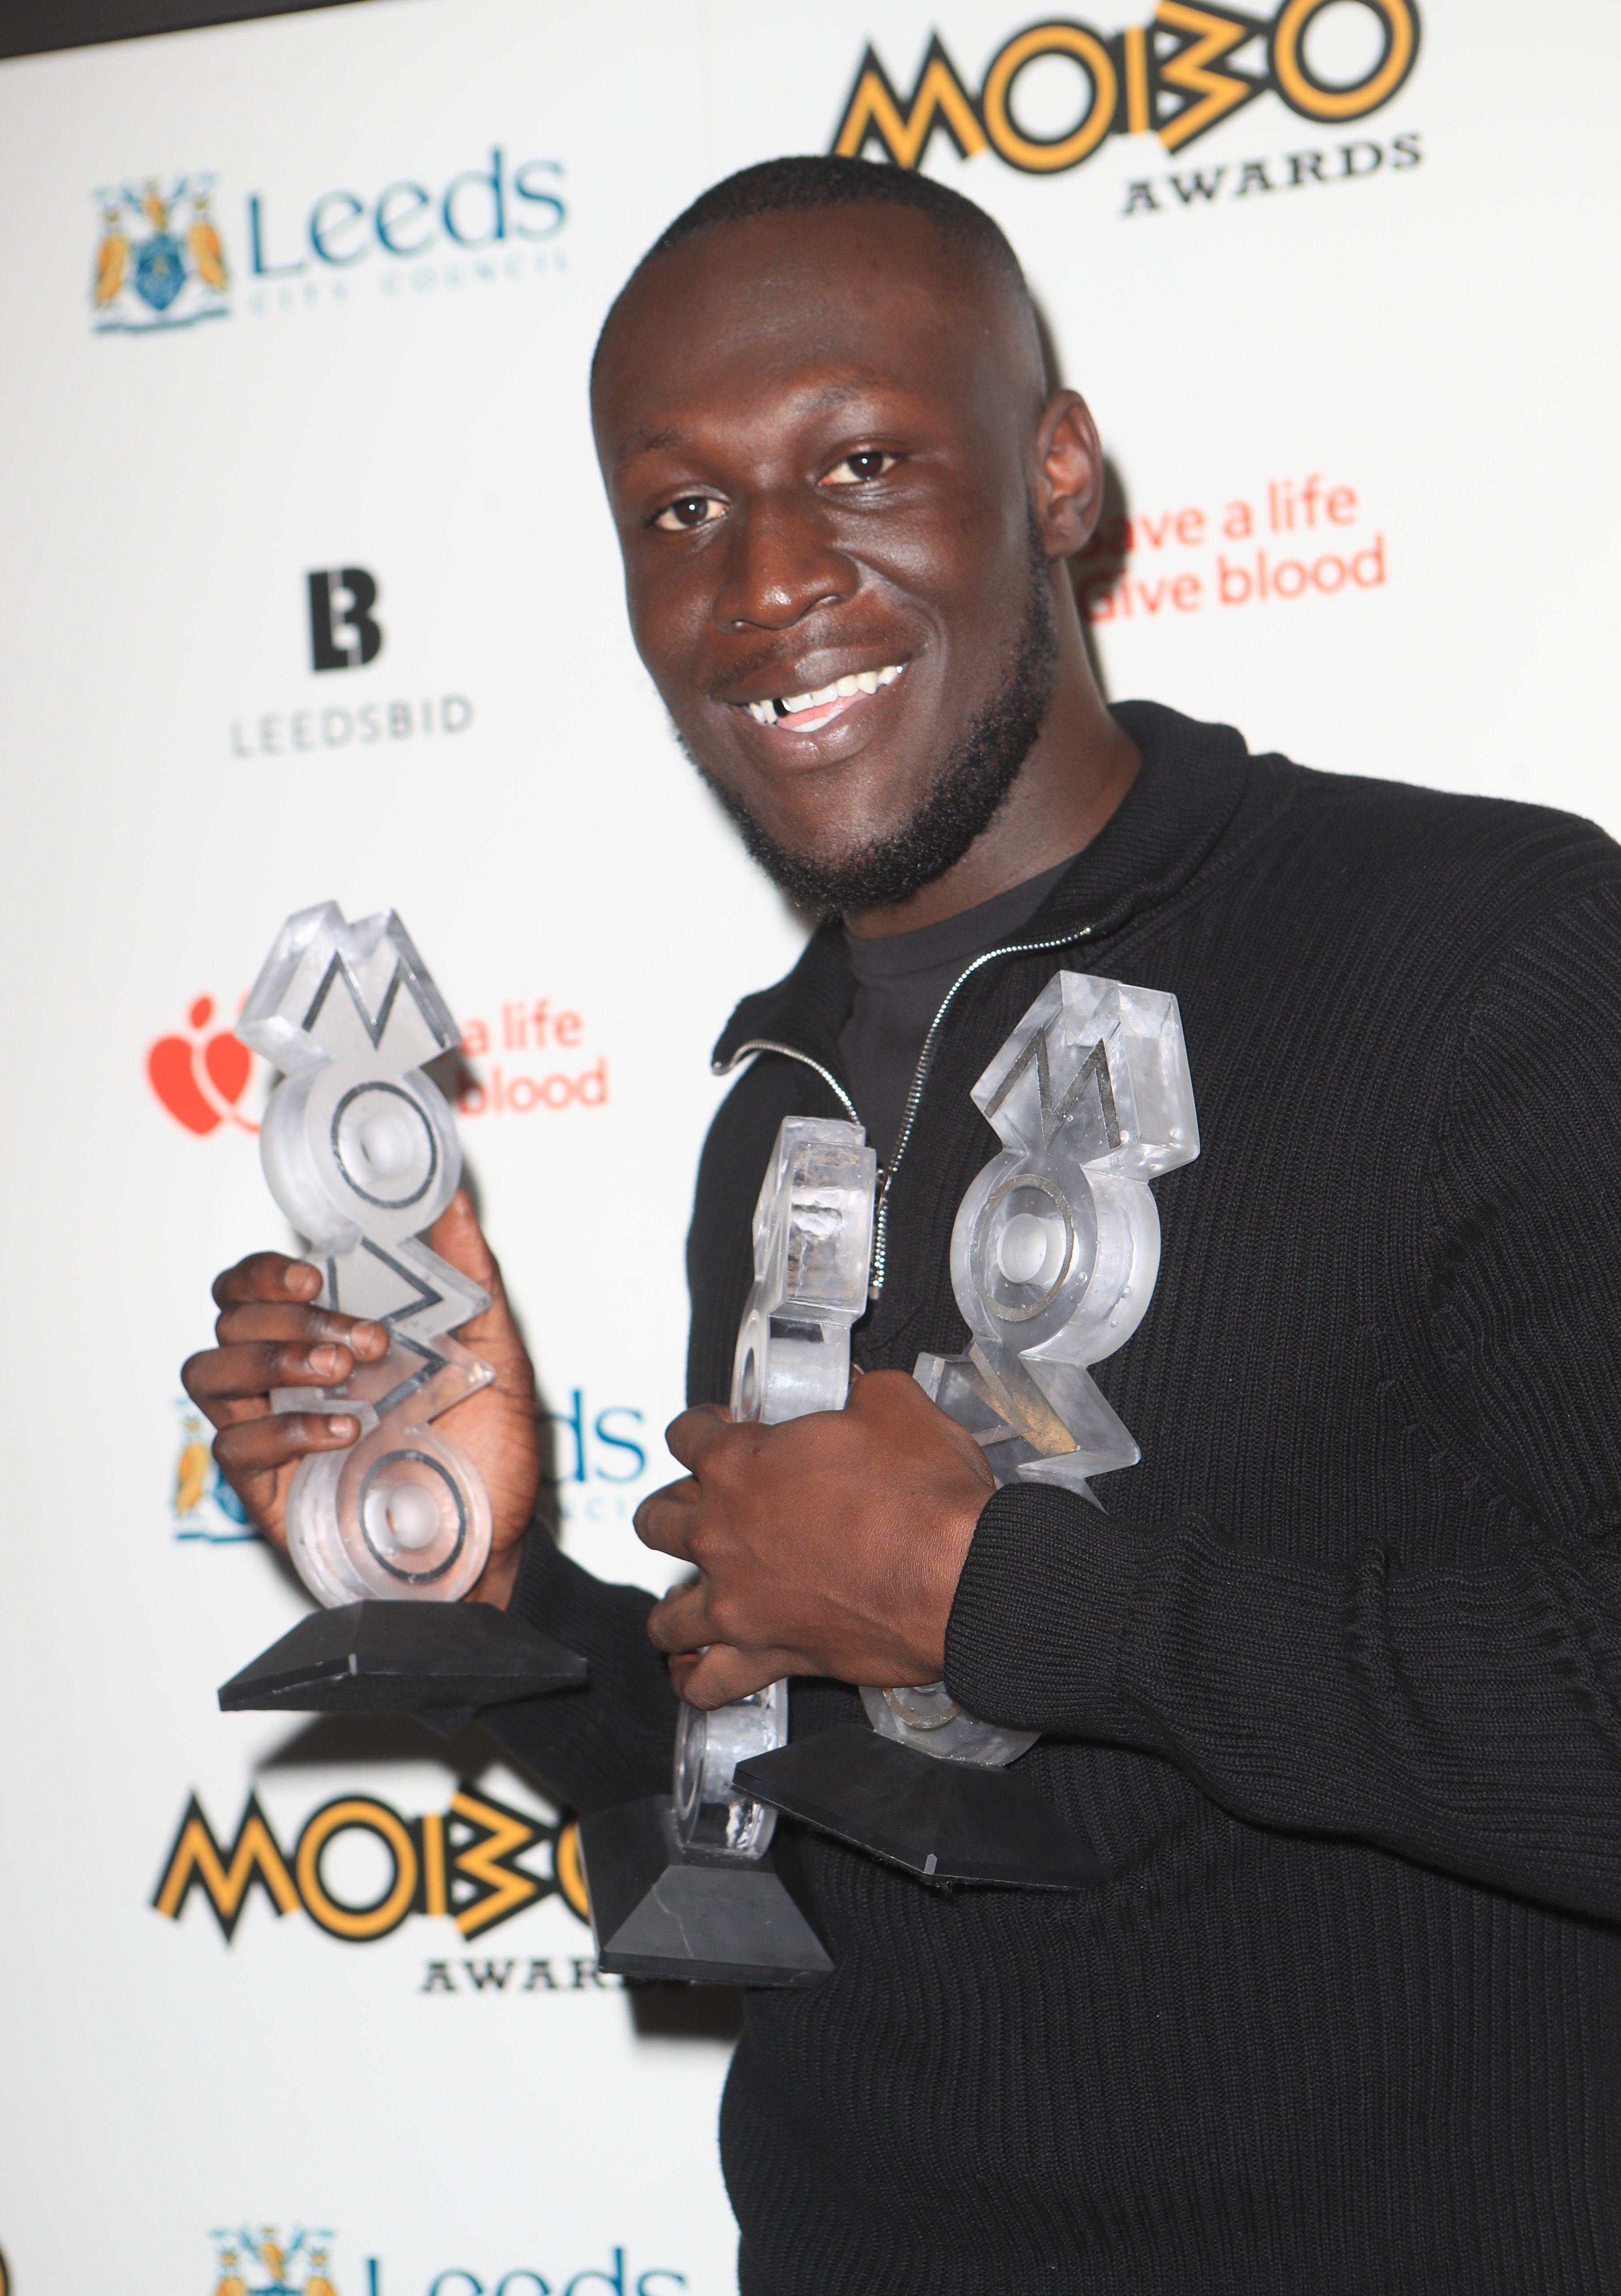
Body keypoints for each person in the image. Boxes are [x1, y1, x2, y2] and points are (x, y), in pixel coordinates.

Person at [183, 158, 1621, 2293]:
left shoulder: (1485, 953)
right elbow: (786, 1848)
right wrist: (496, 1601)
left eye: (859, 461)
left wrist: (1009, 1592)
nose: (765, 578)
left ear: (1056, 474)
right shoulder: (777, 1097)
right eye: (679, 512)